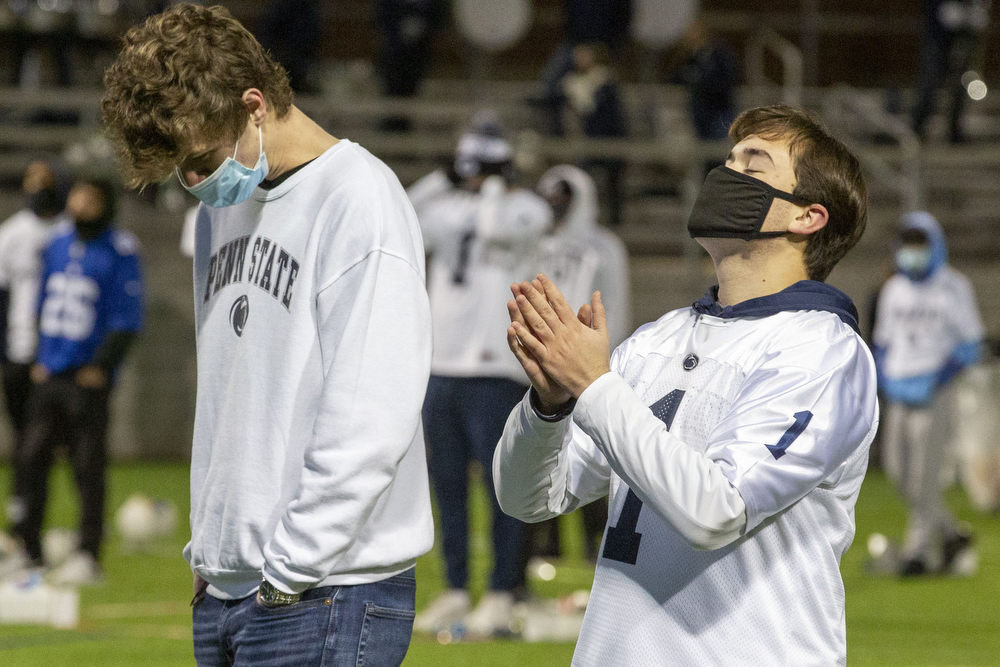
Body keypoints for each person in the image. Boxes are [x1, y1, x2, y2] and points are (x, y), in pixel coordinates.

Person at [102, 5, 433, 666]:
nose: (194, 182)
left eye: (199, 158)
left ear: (255, 104)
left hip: (322, 591)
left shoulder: (359, 198)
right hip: (233, 589)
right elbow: (227, 397)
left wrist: (286, 573)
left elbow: (371, 413)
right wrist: (212, 548)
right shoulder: (217, 215)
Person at [495, 105, 877, 665]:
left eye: (753, 164)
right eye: (728, 158)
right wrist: (548, 407)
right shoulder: (659, 338)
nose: (724, 173)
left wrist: (594, 385)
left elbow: (716, 509)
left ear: (807, 217)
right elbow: (528, 498)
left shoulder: (825, 350)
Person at [409, 112, 552, 637]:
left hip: (497, 366)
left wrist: (493, 187)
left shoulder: (525, 209)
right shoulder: (446, 205)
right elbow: (401, 213)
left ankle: (499, 590)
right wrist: (443, 179)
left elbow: (493, 233)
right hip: (443, 364)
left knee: (502, 489)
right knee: (446, 485)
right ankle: (454, 587)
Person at [11, 179, 143, 584]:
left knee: (87, 466)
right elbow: (42, 304)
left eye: (91, 197)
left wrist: (102, 366)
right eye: (77, 195)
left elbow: (126, 317)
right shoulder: (55, 243)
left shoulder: (120, 250)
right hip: (51, 371)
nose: (81, 203)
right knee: (30, 460)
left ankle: (88, 552)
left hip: (87, 378)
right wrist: (38, 356)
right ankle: (26, 549)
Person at [526, 164, 631, 561]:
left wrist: (607, 357)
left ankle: (594, 542)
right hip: (544, 362)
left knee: (592, 453)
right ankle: (546, 542)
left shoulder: (604, 246)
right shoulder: (533, 242)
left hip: (588, 362)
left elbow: (615, 302)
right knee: (545, 449)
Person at [873, 212, 983, 575]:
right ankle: (950, 533)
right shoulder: (894, 289)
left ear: (935, 245)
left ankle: (918, 551)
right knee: (897, 471)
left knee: (923, 475)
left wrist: (940, 377)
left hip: (935, 391)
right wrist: (886, 377)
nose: (913, 252)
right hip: (899, 391)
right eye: (908, 245)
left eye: (920, 244)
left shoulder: (954, 286)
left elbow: (970, 341)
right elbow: (883, 340)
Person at [0, 162, 70, 534]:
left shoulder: (70, 234)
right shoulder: (12, 233)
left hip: (60, 358)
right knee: (26, 445)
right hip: (21, 352)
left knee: (54, 446)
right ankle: (22, 524)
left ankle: (53, 529)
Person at [911, 0, 991, 143]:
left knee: (962, 82)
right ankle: (918, 126)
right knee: (931, 80)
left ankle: (954, 130)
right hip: (939, 31)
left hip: (965, 30)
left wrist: (975, 10)